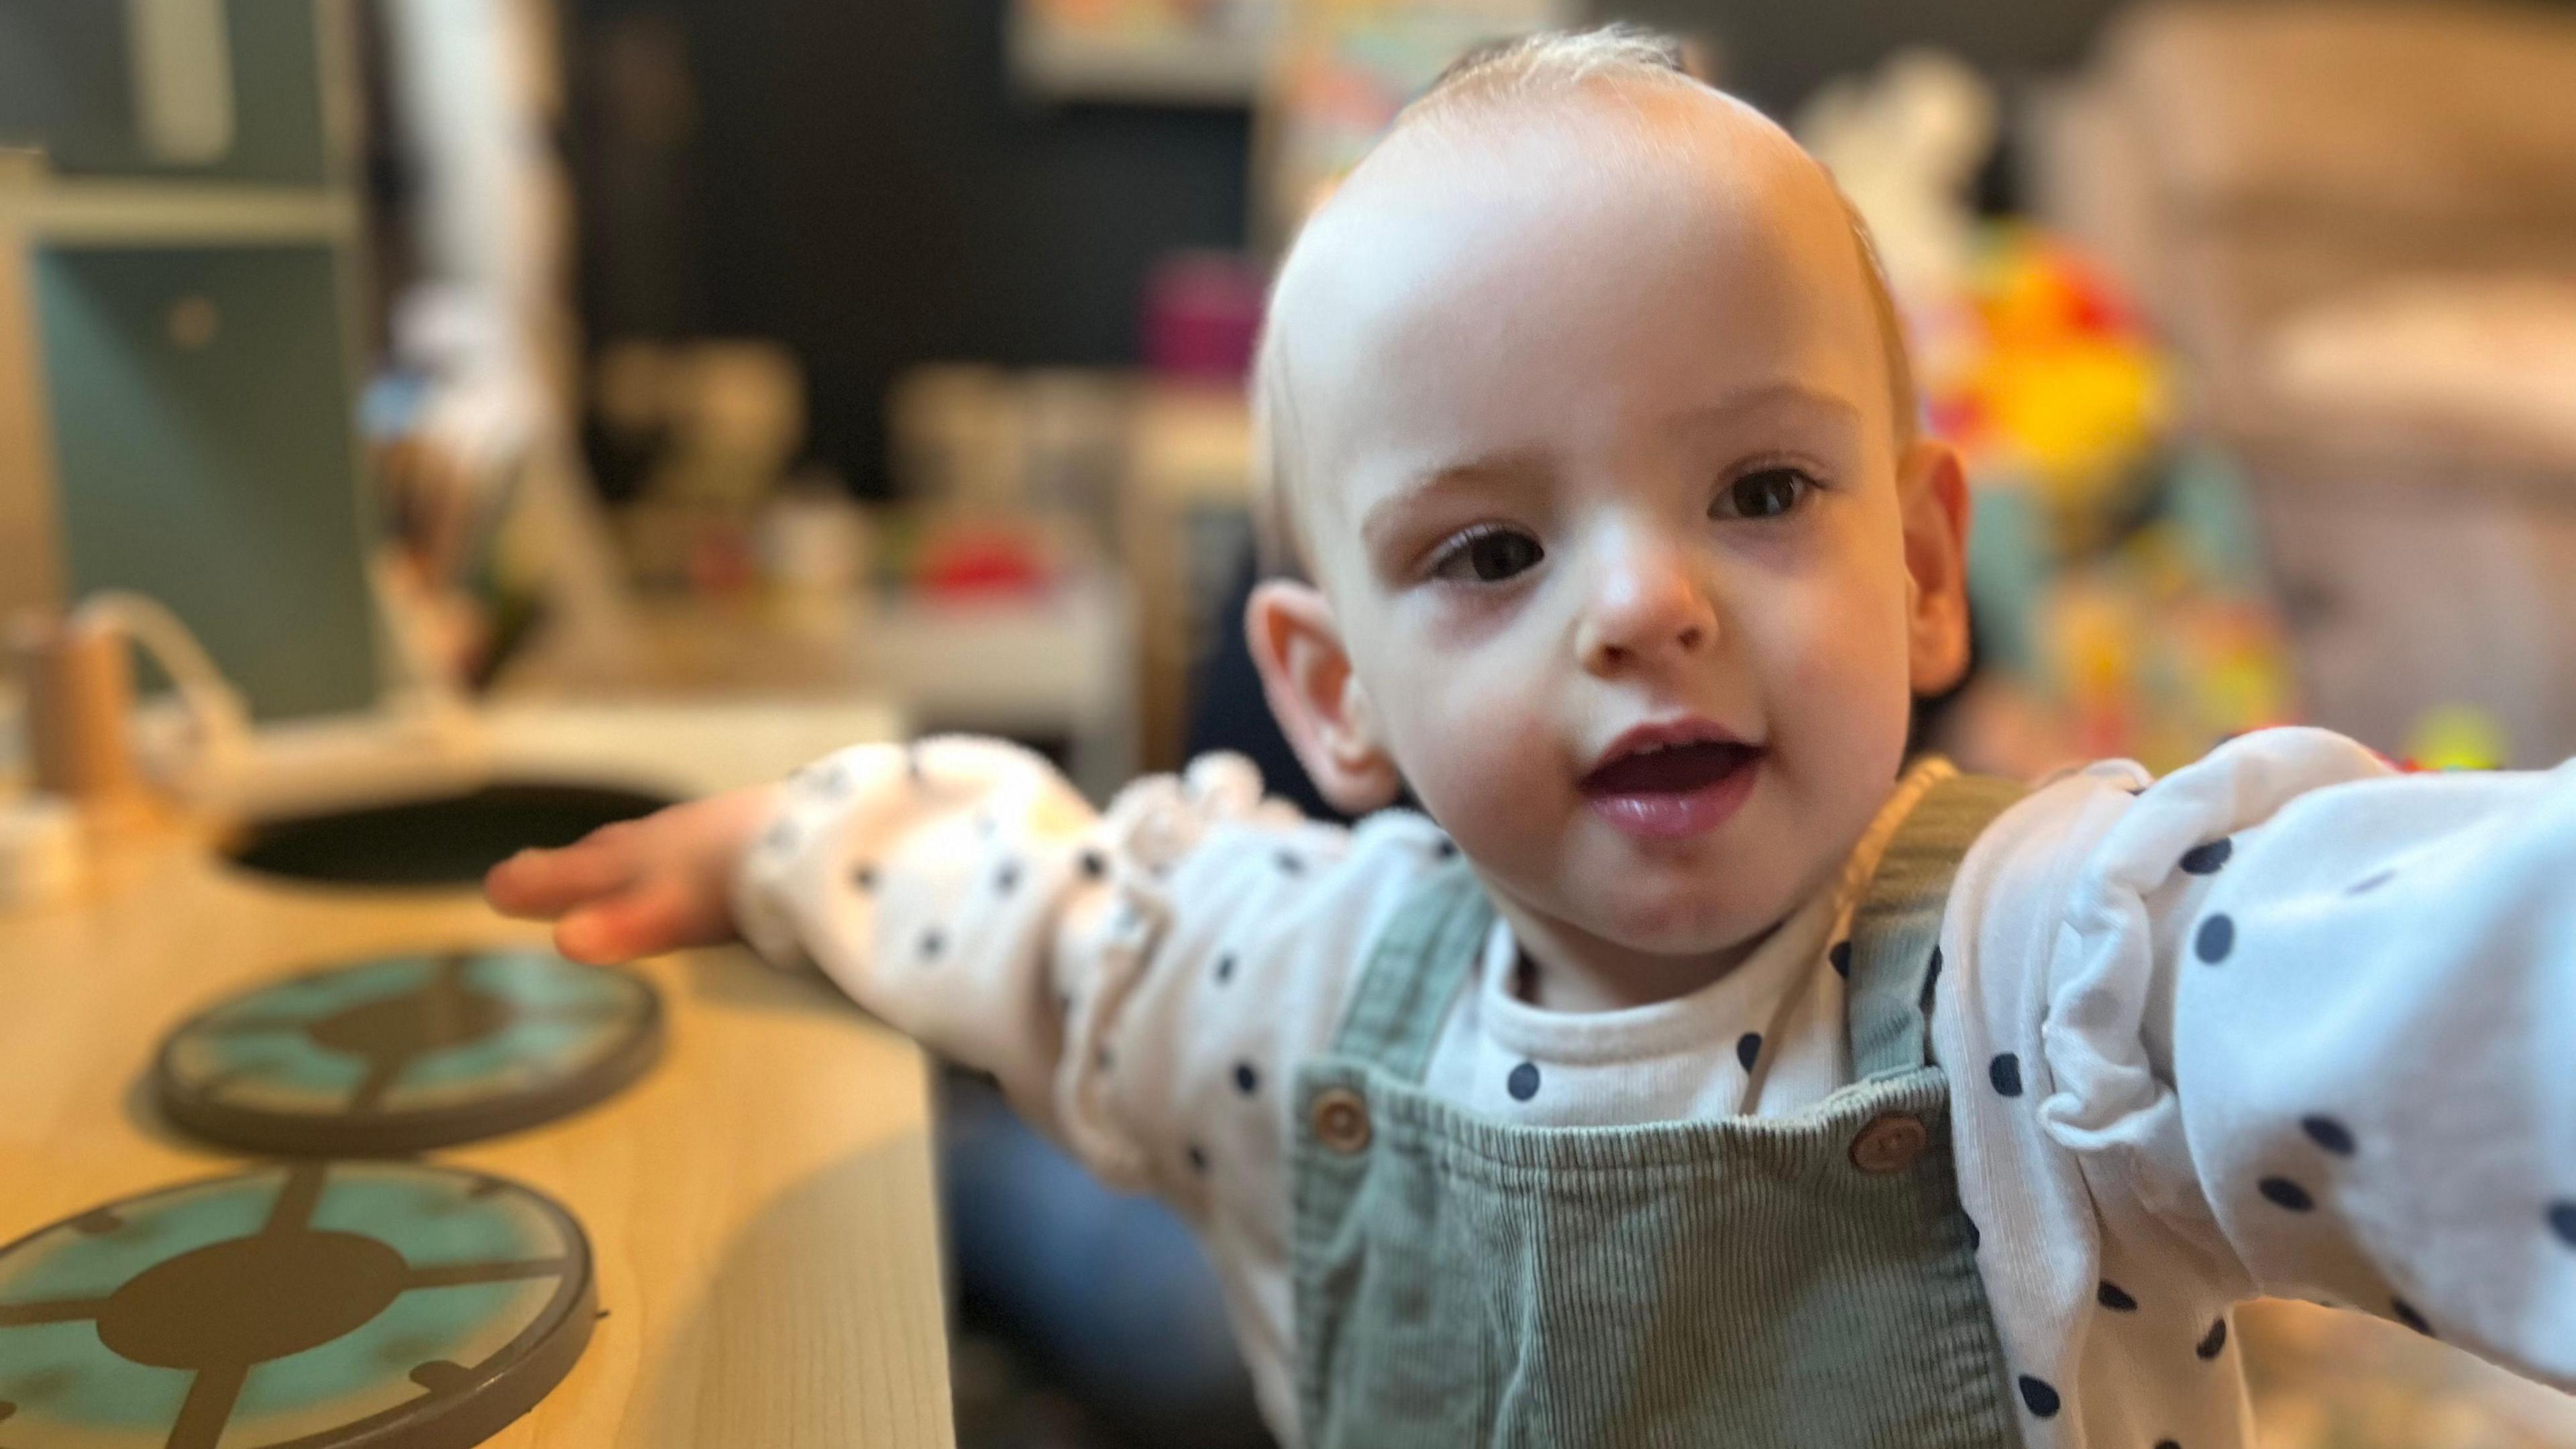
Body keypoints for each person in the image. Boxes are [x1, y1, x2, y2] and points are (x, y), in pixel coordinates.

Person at [487, 28, 2576, 1447]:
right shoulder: (1284, 975)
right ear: (1332, 696)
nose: (1646, 604)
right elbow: (1045, 907)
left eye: (1759, 494)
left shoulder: (2079, 983)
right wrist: (785, 842)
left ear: (1929, 570)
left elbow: (2475, 984)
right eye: (1492, 547)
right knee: (1021, 1212)